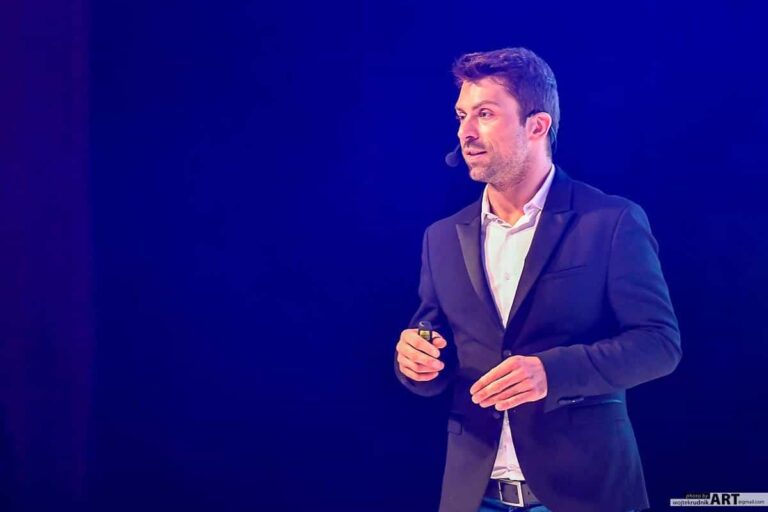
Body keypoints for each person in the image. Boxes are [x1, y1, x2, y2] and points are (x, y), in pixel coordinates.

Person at [394, 47, 681, 512]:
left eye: (485, 114)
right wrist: (416, 361)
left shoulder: (610, 221)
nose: (466, 131)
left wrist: (552, 372)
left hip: (585, 495)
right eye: (462, 115)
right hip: (474, 495)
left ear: (537, 125)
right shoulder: (441, 237)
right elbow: (434, 346)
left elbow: (659, 344)